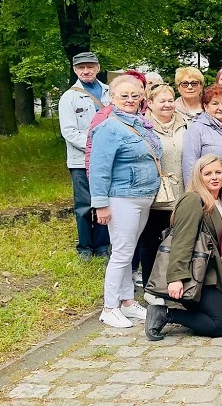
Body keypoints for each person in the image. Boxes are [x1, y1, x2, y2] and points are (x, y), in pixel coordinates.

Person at [89, 75, 162, 328]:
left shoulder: (141, 123)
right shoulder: (108, 128)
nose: (130, 100)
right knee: (121, 253)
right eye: (124, 96)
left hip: (143, 197)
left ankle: (127, 302)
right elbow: (99, 169)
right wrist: (100, 204)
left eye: (135, 95)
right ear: (112, 98)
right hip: (122, 198)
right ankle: (109, 308)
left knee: (128, 250)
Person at [145, 154, 222, 341]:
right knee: (221, 324)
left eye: (218, 172)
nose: (214, 177)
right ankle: (165, 314)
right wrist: (176, 278)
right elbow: (182, 241)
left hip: (219, 272)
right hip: (198, 277)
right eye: (207, 174)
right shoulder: (193, 200)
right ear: (198, 177)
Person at [58, 51, 110, 259]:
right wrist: (93, 147)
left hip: (107, 159)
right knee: (84, 205)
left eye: (90, 66)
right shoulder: (68, 97)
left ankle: (103, 246)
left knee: (104, 201)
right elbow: (69, 132)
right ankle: (85, 248)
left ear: (98, 68)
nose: (86, 71)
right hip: (80, 161)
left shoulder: (110, 93)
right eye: (81, 67)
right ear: (75, 70)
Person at [140, 83, 186, 289]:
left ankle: (174, 285)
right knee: (151, 242)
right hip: (155, 194)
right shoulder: (143, 126)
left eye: (170, 100)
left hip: (181, 192)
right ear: (150, 103)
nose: (167, 105)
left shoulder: (185, 124)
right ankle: (150, 286)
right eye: (162, 101)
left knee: (177, 242)